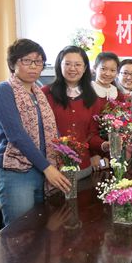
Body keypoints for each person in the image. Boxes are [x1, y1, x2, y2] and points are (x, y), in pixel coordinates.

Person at [0, 39, 70, 224]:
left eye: (38, 61)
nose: (34, 66)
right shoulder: (4, 90)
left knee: (43, 228)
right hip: (18, 171)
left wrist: (63, 156)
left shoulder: (38, 93)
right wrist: (47, 167)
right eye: (27, 61)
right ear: (13, 63)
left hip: (43, 168)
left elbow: (50, 129)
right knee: (21, 230)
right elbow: (16, 136)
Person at [42, 46, 108, 177]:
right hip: (52, 168)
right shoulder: (45, 93)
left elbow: (91, 134)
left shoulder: (93, 98)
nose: (72, 68)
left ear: (85, 68)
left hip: (82, 167)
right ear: (59, 66)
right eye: (67, 64)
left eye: (78, 64)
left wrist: (103, 145)